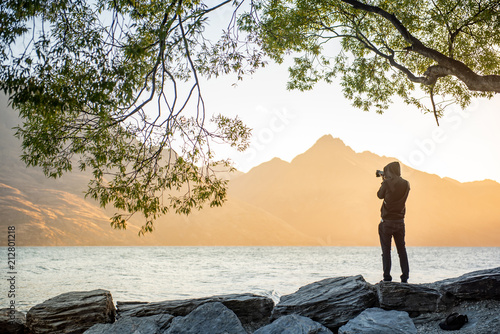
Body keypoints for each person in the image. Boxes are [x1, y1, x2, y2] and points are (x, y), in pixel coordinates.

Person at [377, 161, 411, 283]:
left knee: (386, 251)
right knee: (401, 250)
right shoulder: (406, 184)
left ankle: (387, 278)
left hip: (386, 222)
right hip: (400, 222)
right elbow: (395, 193)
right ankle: (405, 277)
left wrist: (383, 181)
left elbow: (380, 195)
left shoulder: (386, 183)